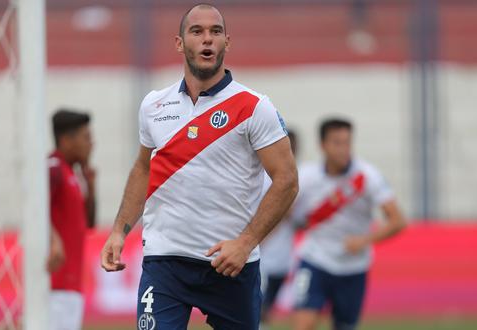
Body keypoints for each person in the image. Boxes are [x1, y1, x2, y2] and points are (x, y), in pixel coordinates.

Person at [100, 3, 298, 329]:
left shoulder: (254, 107)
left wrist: (246, 242)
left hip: (230, 264)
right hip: (165, 261)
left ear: (227, 42)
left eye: (215, 32)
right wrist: (120, 231)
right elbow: (142, 169)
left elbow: (287, 180)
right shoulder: (154, 105)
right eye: (197, 31)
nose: (207, 39)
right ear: (179, 43)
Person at [291, 118, 406, 330]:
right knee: (303, 323)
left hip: (353, 266)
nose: (344, 149)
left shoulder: (367, 176)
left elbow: (398, 221)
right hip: (314, 259)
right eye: (337, 143)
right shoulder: (306, 176)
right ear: (322, 145)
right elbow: (289, 214)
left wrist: (365, 240)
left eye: (347, 143)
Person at [46, 109, 96, 330]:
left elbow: (90, 223)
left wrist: (91, 185)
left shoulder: (71, 173)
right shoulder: (54, 168)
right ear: (66, 140)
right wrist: (54, 240)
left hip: (70, 286)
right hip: (56, 285)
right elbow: (37, 209)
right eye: (86, 137)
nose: (91, 143)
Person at [259, 129, 301, 326]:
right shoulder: (267, 178)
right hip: (261, 257)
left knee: (266, 311)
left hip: (282, 258)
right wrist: (256, 240)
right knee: (257, 309)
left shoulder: (298, 179)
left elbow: (297, 217)